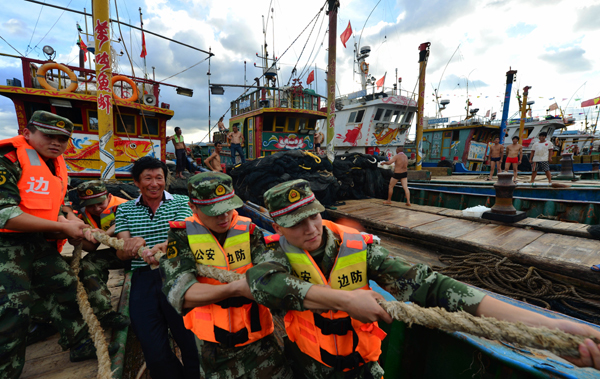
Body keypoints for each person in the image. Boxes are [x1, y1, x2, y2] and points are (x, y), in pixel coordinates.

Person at [246, 180, 600, 378]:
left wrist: (551, 326)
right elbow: (264, 285)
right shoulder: (272, 253)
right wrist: (346, 300)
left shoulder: (357, 249)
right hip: (308, 368)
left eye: (314, 217)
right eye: (296, 223)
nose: (310, 229)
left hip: (361, 367)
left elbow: (433, 286)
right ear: (277, 227)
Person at [0, 111, 114, 377]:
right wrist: (63, 227)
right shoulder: (7, 161)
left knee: (66, 286)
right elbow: (4, 213)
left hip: (38, 241)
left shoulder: (54, 164)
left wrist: (72, 219)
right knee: (12, 309)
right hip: (5, 242)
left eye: (62, 139)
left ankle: (80, 342)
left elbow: (57, 203)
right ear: (27, 134)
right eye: (48, 135)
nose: (56, 143)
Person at [160, 172, 293, 378]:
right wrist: (234, 288)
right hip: (212, 349)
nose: (224, 216)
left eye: (228, 208)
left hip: (260, 344)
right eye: (214, 211)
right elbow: (181, 293)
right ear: (193, 207)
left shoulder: (251, 232)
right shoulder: (181, 235)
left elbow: (274, 275)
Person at [114, 156, 199, 379]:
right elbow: (120, 251)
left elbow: (182, 234)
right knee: (155, 353)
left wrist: (163, 247)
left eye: (159, 178)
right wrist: (131, 246)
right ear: (136, 182)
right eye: (148, 178)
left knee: (191, 342)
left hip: (177, 272)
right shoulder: (124, 210)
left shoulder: (181, 202)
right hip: (142, 278)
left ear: (165, 179)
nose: (154, 184)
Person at [75, 180, 130, 330]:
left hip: (141, 252)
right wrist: (75, 238)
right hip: (117, 253)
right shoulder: (86, 214)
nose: (97, 208)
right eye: (91, 205)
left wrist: (105, 233)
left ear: (108, 196)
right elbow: (91, 247)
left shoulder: (126, 205)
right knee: (89, 263)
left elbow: (124, 222)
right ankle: (105, 313)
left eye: (100, 203)